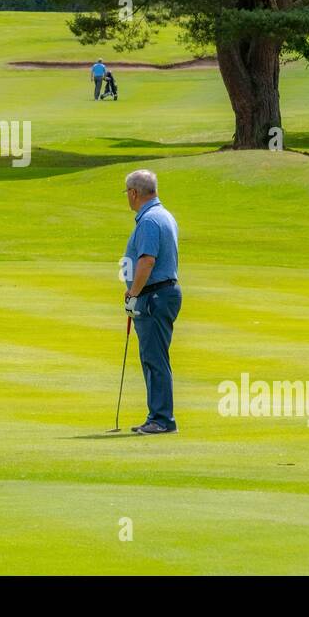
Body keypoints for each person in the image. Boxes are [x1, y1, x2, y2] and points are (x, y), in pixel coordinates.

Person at [121, 169, 182, 434]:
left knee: (154, 358)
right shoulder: (164, 215)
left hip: (154, 295)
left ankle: (161, 419)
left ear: (134, 193)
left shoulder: (149, 221)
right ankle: (157, 416)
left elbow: (147, 260)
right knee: (154, 357)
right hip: (160, 293)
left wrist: (133, 292)